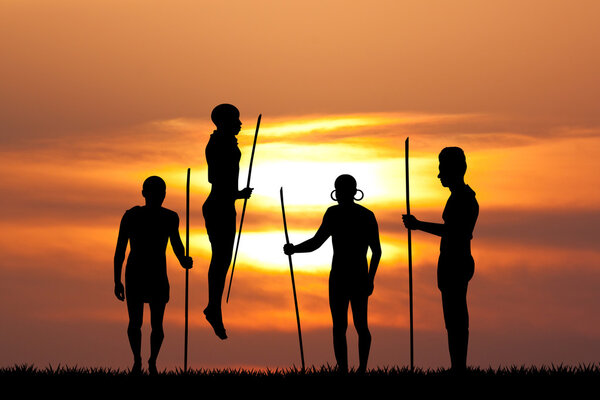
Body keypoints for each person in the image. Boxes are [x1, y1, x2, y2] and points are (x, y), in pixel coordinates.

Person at [284, 174, 381, 373]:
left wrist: (370, 279)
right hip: (344, 276)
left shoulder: (361, 215)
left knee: (357, 325)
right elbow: (316, 242)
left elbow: (377, 250)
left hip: (352, 276)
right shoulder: (343, 214)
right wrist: (295, 249)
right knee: (344, 326)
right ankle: (345, 369)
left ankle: (359, 369)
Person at [402, 147, 478, 373]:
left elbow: (454, 231)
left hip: (457, 261)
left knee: (456, 319)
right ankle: (457, 366)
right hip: (451, 261)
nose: (439, 175)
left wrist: (419, 225)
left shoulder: (463, 199)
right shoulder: (457, 197)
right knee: (452, 319)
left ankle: (459, 368)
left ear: (456, 169)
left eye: (442, 169)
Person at [114, 176, 193, 375]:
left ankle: (152, 362)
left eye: (162, 192)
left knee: (157, 323)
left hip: (157, 273)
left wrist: (183, 258)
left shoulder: (170, 217)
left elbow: (176, 243)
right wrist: (117, 280)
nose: (159, 196)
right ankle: (137, 361)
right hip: (135, 273)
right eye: (155, 192)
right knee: (136, 322)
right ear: (144, 194)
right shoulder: (131, 215)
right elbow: (120, 250)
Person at [202, 104, 253, 340]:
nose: (240, 124)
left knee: (223, 260)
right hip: (218, 205)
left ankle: (214, 306)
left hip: (225, 205)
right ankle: (214, 307)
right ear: (224, 122)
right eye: (236, 120)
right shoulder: (217, 144)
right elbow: (215, 178)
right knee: (221, 258)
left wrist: (236, 194)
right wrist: (236, 194)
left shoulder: (227, 143)